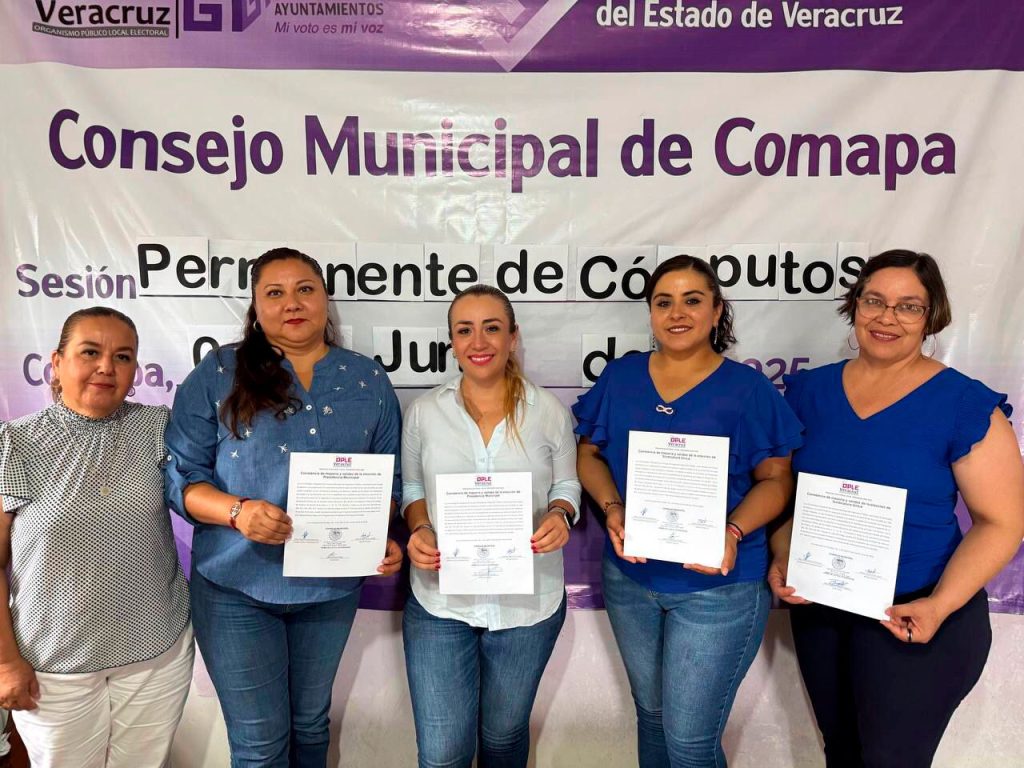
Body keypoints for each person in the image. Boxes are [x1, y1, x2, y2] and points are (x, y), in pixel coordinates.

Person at [768, 249, 1024, 768]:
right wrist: (783, 552)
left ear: (932, 317)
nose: (887, 317)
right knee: (842, 754)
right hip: (824, 608)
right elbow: (787, 499)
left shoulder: (962, 404)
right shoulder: (807, 392)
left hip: (917, 614)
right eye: (874, 301)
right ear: (854, 306)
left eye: (908, 306)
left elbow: (1003, 523)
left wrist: (940, 604)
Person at [164, 247, 403, 767]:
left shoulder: (367, 378)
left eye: (305, 289)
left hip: (330, 586)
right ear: (255, 306)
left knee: (311, 726)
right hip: (236, 587)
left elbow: (390, 479)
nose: (292, 303)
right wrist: (238, 512)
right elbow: (181, 478)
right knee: (260, 744)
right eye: (275, 293)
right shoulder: (219, 372)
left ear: (325, 299)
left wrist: (375, 536)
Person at [574, 255, 803, 768]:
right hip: (631, 580)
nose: (677, 313)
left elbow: (776, 480)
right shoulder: (621, 377)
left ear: (717, 311)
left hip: (718, 588)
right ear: (650, 313)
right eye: (664, 302)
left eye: (692, 300)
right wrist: (612, 507)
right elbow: (588, 455)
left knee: (690, 742)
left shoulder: (749, 390)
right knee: (652, 717)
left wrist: (733, 530)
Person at [0, 307, 193, 768]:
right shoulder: (16, 443)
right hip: (54, 665)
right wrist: (5, 662)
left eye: (122, 357)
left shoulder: (159, 429)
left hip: (157, 656)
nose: (107, 367)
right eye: (90, 352)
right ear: (57, 362)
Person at [401, 284, 581, 768]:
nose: (478, 342)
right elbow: (412, 488)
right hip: (440, 602)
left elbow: (567, 484)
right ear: (452, 341)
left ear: (513, 337)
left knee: (503, 741)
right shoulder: (424, 412)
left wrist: (560, 514)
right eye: (465, 330)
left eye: (492, 328)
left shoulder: (548, 411)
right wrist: (419, 528)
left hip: (528, 605)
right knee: (443, 755)